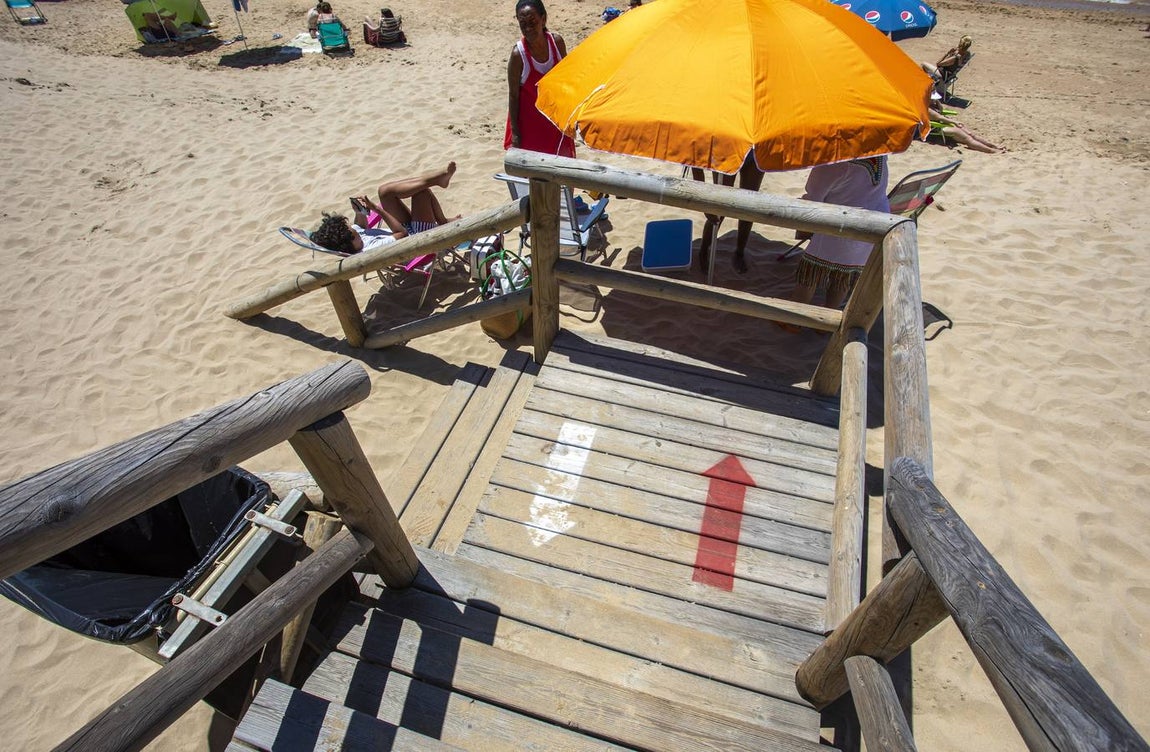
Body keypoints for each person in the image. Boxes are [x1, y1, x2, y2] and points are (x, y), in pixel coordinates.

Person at [780, 156, 889, 326]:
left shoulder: (834, 162)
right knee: (842, 277)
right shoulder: (879, 156)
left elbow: (813, 197)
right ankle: (827, 319)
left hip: (841, 226)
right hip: (874, 225)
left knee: (811, 275)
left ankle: (794, 319)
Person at [312, 162, 460, 255]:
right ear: (347, 239)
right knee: (421, 193)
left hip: (405, 230)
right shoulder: (371, 249)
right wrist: (376, 209)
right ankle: (442, 220)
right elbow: (402, 234)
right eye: (348, 228)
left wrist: (360, 211)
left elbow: (360, 226)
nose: (351, 226)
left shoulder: (355, 239)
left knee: (385, 192)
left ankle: (437, 182)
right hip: (418, 239)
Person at [505, 0, 577, 157]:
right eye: (523, 24)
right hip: (530, 128)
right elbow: (513, 96)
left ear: (543, 19)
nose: (528, 28)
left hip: (556, 124)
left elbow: (567, 81)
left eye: (532, 22)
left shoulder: (557, 43)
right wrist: (515, 134)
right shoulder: (518, 55)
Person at [690, 154, 765, 275]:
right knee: (719, 208)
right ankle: (704, 250)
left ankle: (739, 252)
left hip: (755, 152)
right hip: (727, 152)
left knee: (748, 207)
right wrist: (701, 195)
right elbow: (695, 151)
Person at [928, 107, 1006, 154]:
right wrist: (954, 122)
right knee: (968, 139)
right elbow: (939, 117)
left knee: (971, 134)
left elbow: (941, 110)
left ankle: (992, 146)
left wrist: (936, 102)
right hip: (936, 127)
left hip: (944, 123)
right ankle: (990, 151)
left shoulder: (932, 103)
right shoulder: (927, 109)